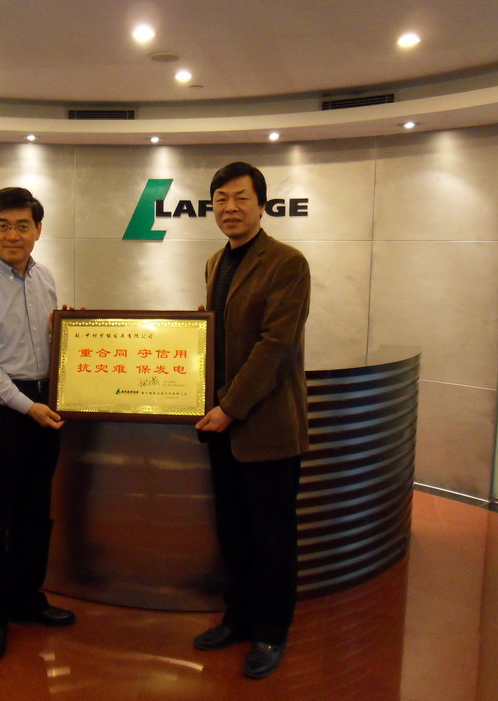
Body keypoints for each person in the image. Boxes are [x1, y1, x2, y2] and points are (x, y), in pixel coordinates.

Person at [193, 161, 311, 679]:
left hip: (265, 425)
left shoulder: (287, 262)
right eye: (221, 199)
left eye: (241, 198)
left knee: (272, 536)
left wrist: (229, 407)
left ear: (262, 205)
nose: (230, 208)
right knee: (234, 531)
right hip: (221, 424)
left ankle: (270, 631)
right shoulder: (215, 262)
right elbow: (210, 335)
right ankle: (237, 618)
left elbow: (275, 348)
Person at [0, 187, 75, 662]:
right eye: (3, 225)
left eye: (23, 225)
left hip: (42, 406)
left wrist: (71, 332)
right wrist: (27, 406)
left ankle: (26, 599)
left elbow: (46, 342)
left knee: (34, 513)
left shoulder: (45, 278)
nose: (13, 234)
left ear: (38, 230)